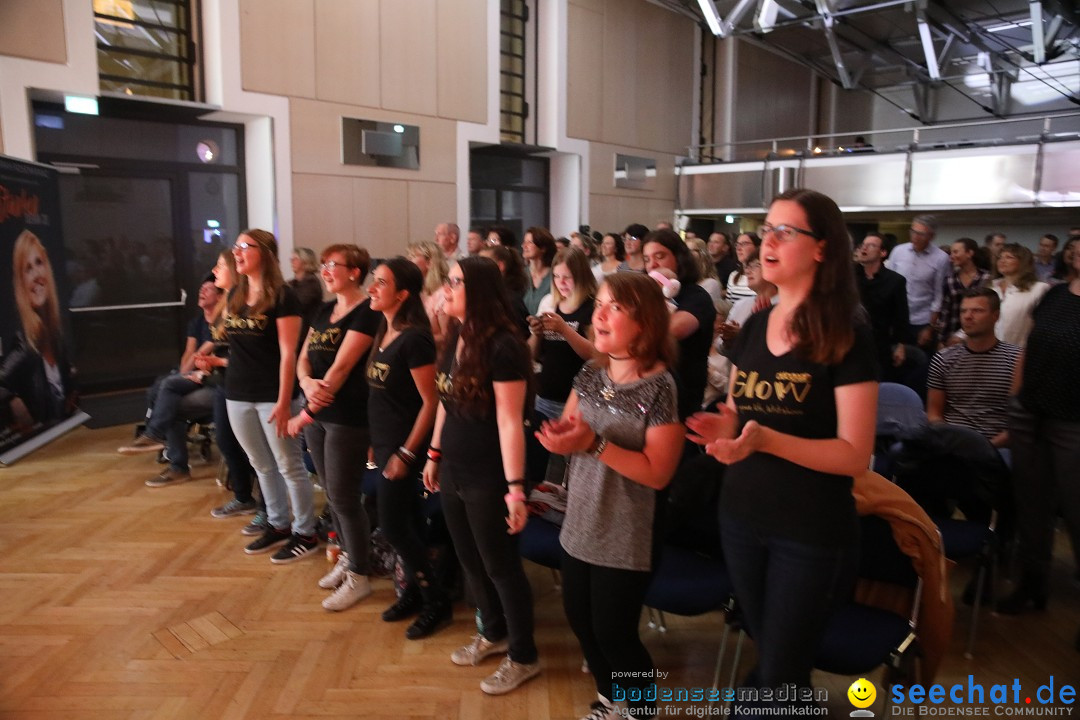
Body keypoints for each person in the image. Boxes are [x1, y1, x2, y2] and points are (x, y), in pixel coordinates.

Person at [686, 189, 878, 710]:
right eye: (766, 229)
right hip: (742, 517)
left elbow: (854, 454)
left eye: (784, 231)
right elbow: (737, 415)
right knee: (773, 657)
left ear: (821, 248)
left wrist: (768, 441)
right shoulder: (753, 326)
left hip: (810, 529)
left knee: (781, 670)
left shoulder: (847, 333)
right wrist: (720, 430)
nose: (765, 242)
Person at [536, 272, 684, 720]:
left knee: (615, 633)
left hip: (626, 529)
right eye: (599, 303)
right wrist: (559, 440)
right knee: (583, 624)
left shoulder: (660, 387)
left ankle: (640, 710)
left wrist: (593, 445)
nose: (597, 314)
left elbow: (658, 473)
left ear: (645, 322)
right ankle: (609, 700)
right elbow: (570, 424)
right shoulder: (592, 370)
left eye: (614, 307)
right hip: (581, 516)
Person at [422, 256, 540, 695]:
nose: (446, 289)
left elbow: (511, 422)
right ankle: (493, 632)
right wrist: (434, 453)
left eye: (455, 282)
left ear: (481, 291)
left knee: (501, 566)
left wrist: (515, 489)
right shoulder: (456, 336)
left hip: (490, 473)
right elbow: (446, 402)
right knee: (470, 560)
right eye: (448, 281)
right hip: (454, 466)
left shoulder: (504, 345)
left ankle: (524, 655)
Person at [287, 244, 380, 610]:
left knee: (343, 495)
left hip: (348, 415)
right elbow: (304, 358)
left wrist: (310, 402)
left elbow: (341, 369)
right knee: (330, 491)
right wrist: (307, 383)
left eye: (332, 265)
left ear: (355, 272)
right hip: (318, 409)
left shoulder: (367, 313)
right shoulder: (326, 310)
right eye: (323, 265)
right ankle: (346, 557)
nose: (325, 271)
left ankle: (360, 575)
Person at [365, 257, 448, 637]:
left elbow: (431, 403)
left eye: (380, 283)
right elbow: (378, 396)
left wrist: (407, 454)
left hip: (404, 447)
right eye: (373, 280)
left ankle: (436, 600)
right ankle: (416, 592)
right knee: (408, 522)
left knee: (396, 526)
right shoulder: (384, 329)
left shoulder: (415, 337)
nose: (372, 287)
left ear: (402, 294)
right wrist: (373, 441)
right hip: (384, 443)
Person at [224, 229, 317, 564]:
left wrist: (282, 401)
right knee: (260, 464)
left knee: (289, 464)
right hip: (237, 392)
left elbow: (289, 354)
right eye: (235, 247)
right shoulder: (235, 293)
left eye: (243, 247)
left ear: (262, 252)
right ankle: (277, 523)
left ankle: (305, 531)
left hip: (272, 395)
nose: (236, 252)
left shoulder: (284, 297)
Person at [1001, 242, 1080, 615]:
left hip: (1073, 421)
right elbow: (1028, 348)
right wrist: (1016, 399)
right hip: (1031, 414)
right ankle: (1032, 585)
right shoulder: (1055, 295)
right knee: (1032, 507)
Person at [118, 278, 219, 488]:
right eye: (200, 289)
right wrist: (183, 374)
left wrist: (185, 376)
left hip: (213, 379)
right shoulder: (197, 322)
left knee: (169, 394)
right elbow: (190, 352)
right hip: (194, 374)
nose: (201, 292)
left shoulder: (222, 321)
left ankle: (158, 437)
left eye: (207, 289)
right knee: (159, 387)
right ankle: (162, 442)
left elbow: (205, 353)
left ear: (220, 296)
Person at [527, 248, 597, 486]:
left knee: (566, 471)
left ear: (581, 276)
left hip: (577, 401)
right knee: (537, 467)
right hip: (546, 397)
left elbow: (595, 355)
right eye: (557, 277)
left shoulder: (591, 307)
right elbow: (533, 355)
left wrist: (565, 330)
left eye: (567, 277)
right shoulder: (551, 303)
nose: (562, 283)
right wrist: (536, 334)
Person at [198, 250, 259, 520]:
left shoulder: (244, 302)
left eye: (220, 265)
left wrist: (216, 362)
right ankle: (244, 497)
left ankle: (267, 509)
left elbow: (251, 354)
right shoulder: (227, 301)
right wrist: (207, 361)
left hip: (245, 385)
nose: (214, 270)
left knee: (256, 452)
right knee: (225, 441)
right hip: (225, 383)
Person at [1, 231, 76, 435]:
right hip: (40, 443)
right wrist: (12, 400)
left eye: (39, 263)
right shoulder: (25, 343)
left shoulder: (56, 337)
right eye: (28, 269)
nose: (36, 275)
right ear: (21, 282)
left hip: (65, 437)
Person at [927, 288, 1019, 447]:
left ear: (995, 316)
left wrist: (986, 447)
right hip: (951, 443)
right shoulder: (944, 359)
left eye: (977, 311)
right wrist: (948, 440)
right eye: (963, 311)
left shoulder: (1016, 359)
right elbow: (934, 414)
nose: (968, 316)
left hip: (997, 447)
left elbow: (1020, 421)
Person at [642, 229, 717, 420]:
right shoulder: (644, 297)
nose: (653, 265)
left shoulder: (697, 297)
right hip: (644, 392)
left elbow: (668, 332)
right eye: (647, 259)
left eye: (660, 256)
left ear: (679, 258)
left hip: (679, 397)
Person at [885, 215, 951, 352]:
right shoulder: (899, 251)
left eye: (920, 234)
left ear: (931, 236)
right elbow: (888, 282)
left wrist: (930, 327)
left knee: (921, 362)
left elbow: (939, 295)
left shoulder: (941, 258)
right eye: (913, 231)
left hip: (922, 320)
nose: (915, 237)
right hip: (897, 318)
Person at [853, 232, 912, 377]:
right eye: (863, 245)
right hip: (851, 340)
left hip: (879, 343)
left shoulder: (895, 281)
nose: (864, 248)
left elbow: (901, 316)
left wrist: (901, 345)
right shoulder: (848, 276)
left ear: (883, 252)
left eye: (871, 245)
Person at [993, 243, 1049, 347]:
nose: (1002, 260)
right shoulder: (991, 287)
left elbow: (1045, 325)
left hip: (1021, 351)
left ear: (1023, 262)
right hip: (989, 353)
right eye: (1000, 257)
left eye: (1009, 257)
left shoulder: (1039, 288)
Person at [938, 237, 991, 345]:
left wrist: (962, 336)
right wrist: (941, 339)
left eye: (956, 252)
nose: (951, 257)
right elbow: (945, 311)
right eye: (951, 253)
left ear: (969, 253)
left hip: (978, 336)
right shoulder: (950, 279)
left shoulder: (986, 278)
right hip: (951, 338)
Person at [407, 240, 451, 349]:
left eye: (413, 257)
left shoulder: (443, 294)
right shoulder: (417, 290)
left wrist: (409, 338)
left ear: (430, 262)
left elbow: (448, 338)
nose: (408, 260)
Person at [522, 227, 556, 316]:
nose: (524, 246)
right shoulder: (520, 274)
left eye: (530, 242)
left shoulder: (555, 276)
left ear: (543, 248)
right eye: (524, 242)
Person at [288, 247, 323, 323]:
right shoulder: (291, 283)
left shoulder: (311, 282)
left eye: (296, 259)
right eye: (291, 259)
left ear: (305, 261)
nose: (291, 261)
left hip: (306, 329)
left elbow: (297, 305)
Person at [726, 232, 761, 302]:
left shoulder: (761, 276)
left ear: (757, 247)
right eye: (737, 244)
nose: (738, 248)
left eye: (744, 244)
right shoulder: (733, 275)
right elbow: (727, 305)